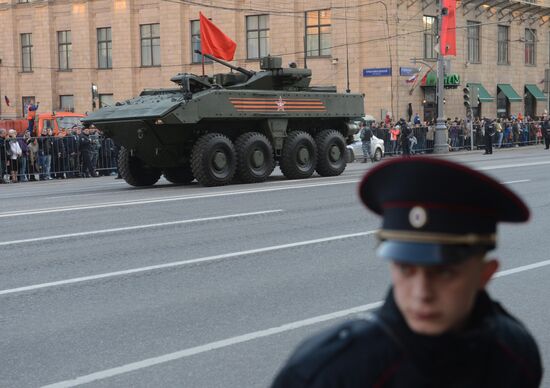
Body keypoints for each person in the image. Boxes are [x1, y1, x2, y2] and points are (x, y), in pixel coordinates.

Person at [271, 157, 542, 388]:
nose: (421, 293)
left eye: (445, 273)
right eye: (405, 268)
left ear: (485, 274)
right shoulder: (328, 372)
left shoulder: (514, 355)